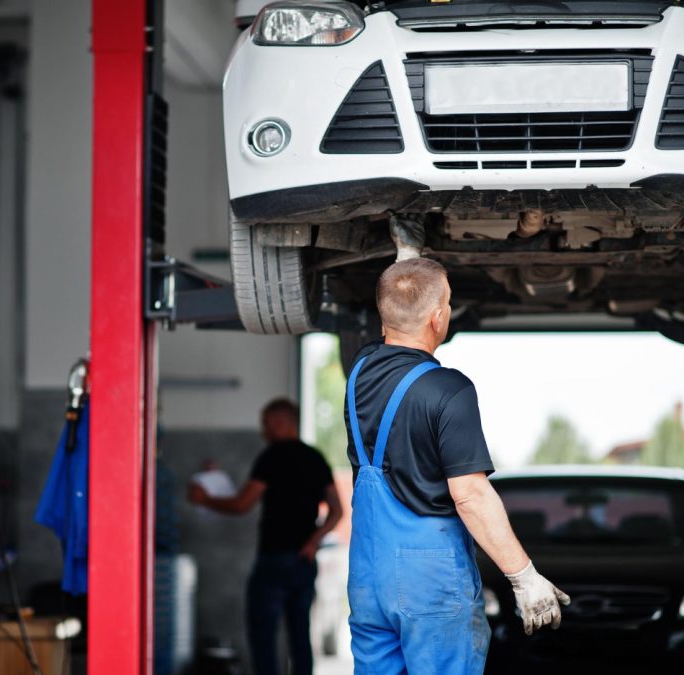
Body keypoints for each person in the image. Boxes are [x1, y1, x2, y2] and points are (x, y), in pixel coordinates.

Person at [345, 257, 570, 674]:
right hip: (428, 580)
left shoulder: (359, 373)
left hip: (368, 573)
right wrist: (523, 575)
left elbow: (398, 302)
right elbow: (469, 493)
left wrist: (404, 270)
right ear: (438, 318)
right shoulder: (449, 389)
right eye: (446, 303)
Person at [189, 398, 342, 675]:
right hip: (304, 562)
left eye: (266, 424)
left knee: (263, 637)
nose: (263, 431)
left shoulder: (271, 457)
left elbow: (241, 504)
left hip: (273, 561)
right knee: (300, 636)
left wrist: (204, 498)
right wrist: (313, 542)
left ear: (280, 422)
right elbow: (337, 510)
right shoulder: (316, 458)